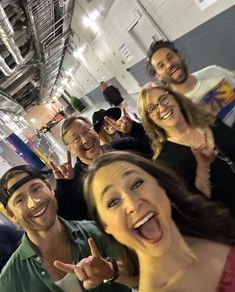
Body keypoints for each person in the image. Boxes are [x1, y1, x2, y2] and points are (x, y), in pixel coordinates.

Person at [82, 151, 235, 292]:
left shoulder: (208, 222)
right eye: (113, 202)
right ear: (105, 225)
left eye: (136, 184)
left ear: (160, 184)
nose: (133, 204)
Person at [0, 165, 135, 292]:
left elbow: (143, 278)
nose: (33, 203)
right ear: (12, 216)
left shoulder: (97, 231)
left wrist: (113, 271)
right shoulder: (9, 281)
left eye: (36, 189)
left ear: (50, 189)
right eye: (19, 200)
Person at [138, 82, 235, 215]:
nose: (161, 108)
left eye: (163, 98)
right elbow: (195, 206)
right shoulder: (165, 162)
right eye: (152, 108)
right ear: (150, 120)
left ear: (175, 99)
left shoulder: (208, 120)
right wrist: (203, 167)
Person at [50, 116, 152, 220]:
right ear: (70, 149)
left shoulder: (121, 146)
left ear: (94, 130)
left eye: (86, 131)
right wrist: (64, 186)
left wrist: (134, 129)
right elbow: (71, 217)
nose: (85, 140)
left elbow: (154, 149)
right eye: (76, 139)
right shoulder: (76, 183)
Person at [147, 40, 235, 125]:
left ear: (179, 56)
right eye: (161, 65)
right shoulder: (176, 107)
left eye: (170, 57)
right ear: (158, 76)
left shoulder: (213, 71)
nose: (169, 64)